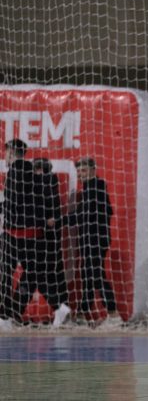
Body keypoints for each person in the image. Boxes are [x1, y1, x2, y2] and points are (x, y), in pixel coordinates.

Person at [67, 157, 118, 324]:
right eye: (79, 171)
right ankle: (83, 313)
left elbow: (85, 216)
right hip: (89, 239)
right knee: (88, 274)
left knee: (96, 275)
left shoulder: (97, 187)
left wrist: (60, 221)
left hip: (96, 240)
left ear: (92, 170)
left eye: (83, 170)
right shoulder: (90, 189)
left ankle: (113, 314)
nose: (80, 174)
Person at [0, 139, 44, 328]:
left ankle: (5, 314)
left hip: (15, 233)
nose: (5, 157)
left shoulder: (15, 172)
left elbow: (13, 202)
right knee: (32, 273)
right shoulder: (32, 172)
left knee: (5, 273)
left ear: (11, 151)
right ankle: (15, 311)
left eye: (6, 152)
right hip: (31, 233)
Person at [31, 158, 71, 326]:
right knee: (55, 275)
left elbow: (42, 215)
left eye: (36, 170)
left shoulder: (41, 187)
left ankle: (60, 309)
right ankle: (62, 309)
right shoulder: (52, 187)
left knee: (39, 275)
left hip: (43, 238)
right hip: (52, 238)